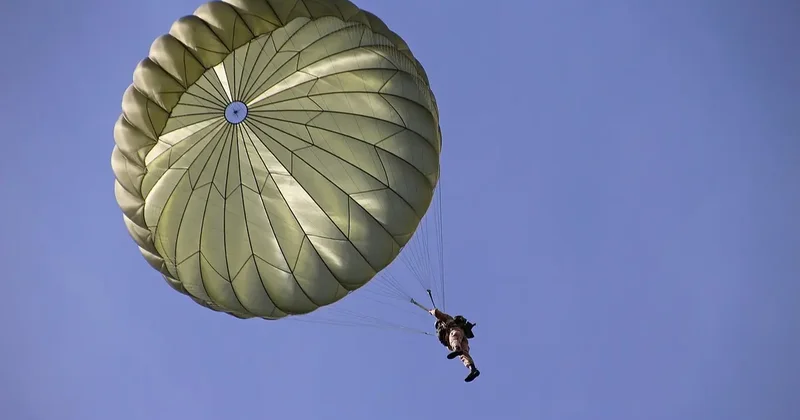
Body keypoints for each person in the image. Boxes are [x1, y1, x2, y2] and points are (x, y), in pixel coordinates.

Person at [429, 308, 480, 382]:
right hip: (462, 339)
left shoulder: (447, 319)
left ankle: (457, 349)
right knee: (464, 354)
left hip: (456, 332)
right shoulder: (445, 329)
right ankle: (473, 369)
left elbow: (438, 313)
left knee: (453, 338)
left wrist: (432, 311)